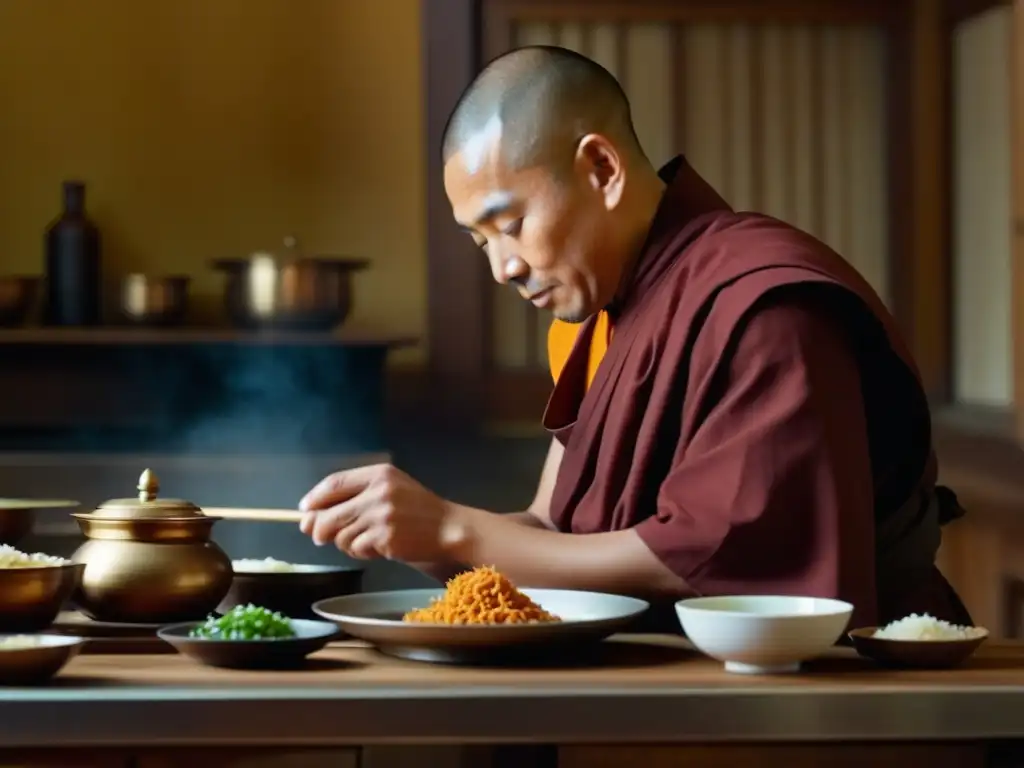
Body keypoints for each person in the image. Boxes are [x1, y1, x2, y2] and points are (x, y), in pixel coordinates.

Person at [298, 45, 971, 629]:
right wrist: (423, 536)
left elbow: (716, 558)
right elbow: (550, 530)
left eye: (511, 223)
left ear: (602, 170)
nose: (503, 266)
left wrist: (455, 528)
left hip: (844, 691)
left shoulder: (765, 305)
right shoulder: (599, 321)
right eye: (480, 241)